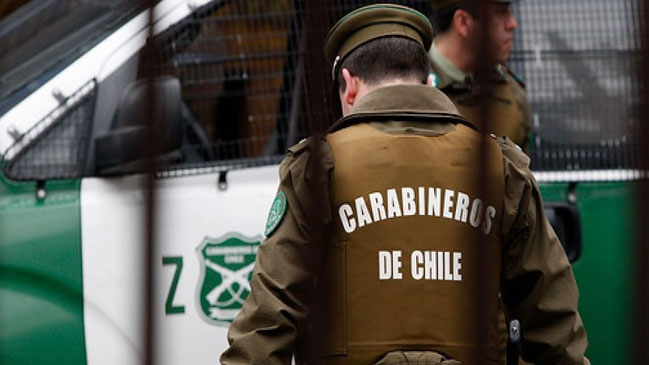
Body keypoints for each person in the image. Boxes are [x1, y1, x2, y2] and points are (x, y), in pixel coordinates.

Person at [220, 4, 588, 364]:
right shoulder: (499, 165)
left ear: (349, 85)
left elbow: (268, 322)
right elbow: (554, 326)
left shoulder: (318, 167)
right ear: (427, 82)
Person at [428, 0, 532, 153]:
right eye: (500, 12)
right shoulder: (410, 84)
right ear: (463, 22)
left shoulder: (511, 92)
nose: (512, 24)